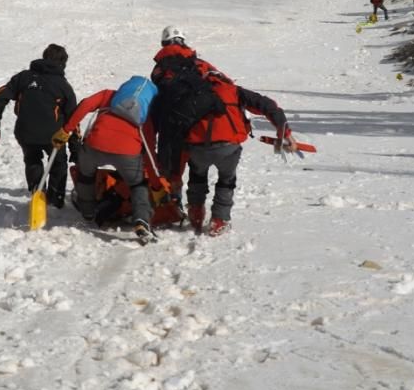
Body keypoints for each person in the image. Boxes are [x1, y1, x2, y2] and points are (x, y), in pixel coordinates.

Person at [151, 26, 299, 237]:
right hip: (229, 146)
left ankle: (195, 211)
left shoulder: (186, 92)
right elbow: (268, 106)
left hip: (197, 146)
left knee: (197, 175)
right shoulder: (232, 90)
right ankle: (220, 219)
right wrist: (285, 134)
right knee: (226, 180)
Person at [51, 80, 165, 243]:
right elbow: (149, 150)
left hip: (95, 145)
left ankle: (88, 211)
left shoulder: (109, 96)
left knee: (85, 174)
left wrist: (66, 130)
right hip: (128, 153)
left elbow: (85, 104)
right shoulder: (145, 114)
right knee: (137, 185)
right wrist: (155, 184)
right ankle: (141, 220)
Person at [0, 44, 78, 209]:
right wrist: (75, 146)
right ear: (63, 63)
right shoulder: (63, 85)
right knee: (58, 162)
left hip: (25, 132)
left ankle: (37, 191)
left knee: (32, 159)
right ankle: (55, 200)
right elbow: (73, 117)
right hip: (53, 135)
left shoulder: (23, 77)